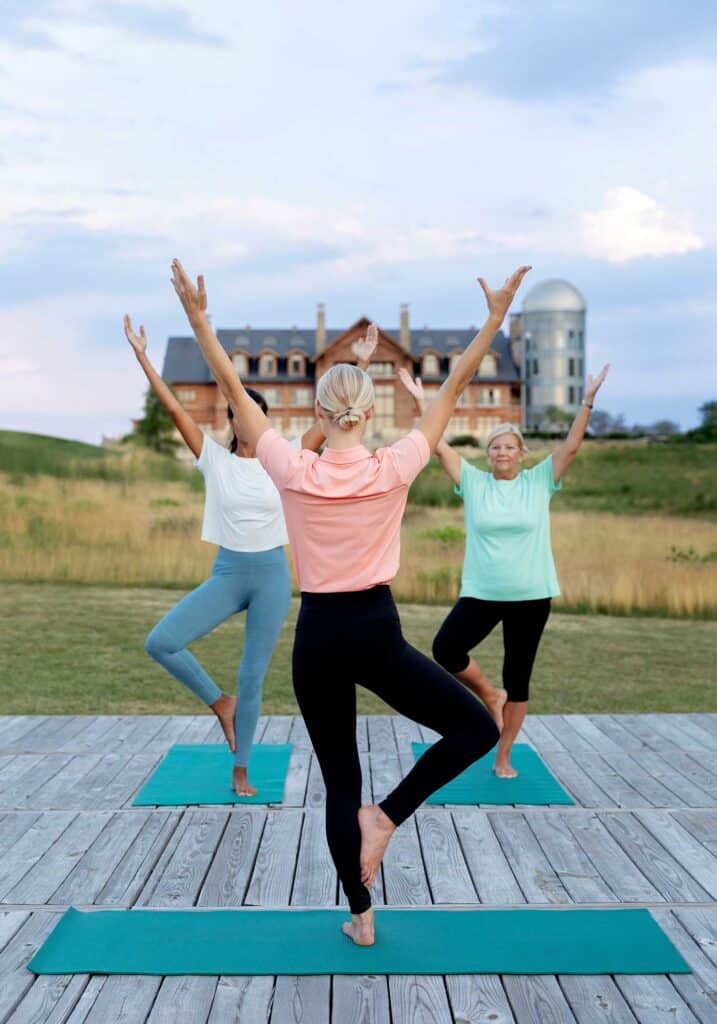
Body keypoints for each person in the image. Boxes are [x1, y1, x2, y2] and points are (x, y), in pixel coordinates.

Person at [170, 257, 531, 945]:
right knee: (476, 729)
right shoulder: (394, 464)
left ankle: (360, 918)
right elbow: (454, 386)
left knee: (340, 781)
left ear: (317, 413)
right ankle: (388, 817)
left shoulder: (290, 466)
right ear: (368, 413)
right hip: (373, 627)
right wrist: (492, 319)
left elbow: (233, 394)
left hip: (318, 637)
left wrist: (198, 320)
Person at [124, 314, 378, 796]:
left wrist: (359, 363)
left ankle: (241, 767)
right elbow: (177, 409)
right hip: (228, 570)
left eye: (253, 412)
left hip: (270, 575)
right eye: (238, 412)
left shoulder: (285, 455)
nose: (244, 418)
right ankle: (221, 703)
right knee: (161, 641)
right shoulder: (213, 459)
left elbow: (334, 417)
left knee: (253, 673)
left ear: (263, 423)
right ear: (231, 420)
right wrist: (142, 357)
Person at [399, 363, 609, 778]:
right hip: (482, 592)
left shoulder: (539, 482)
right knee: (446, 649)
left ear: (521, 453)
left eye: (509, 447)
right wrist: (422, 402)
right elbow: (436, 443)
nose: (501, 453)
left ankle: (504, 754)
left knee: (520, 674)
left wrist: (586, 400)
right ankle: (488, 694)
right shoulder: (474, 483)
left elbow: (571, 446)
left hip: (531, 595)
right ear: (488, 453)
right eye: (495, 447)